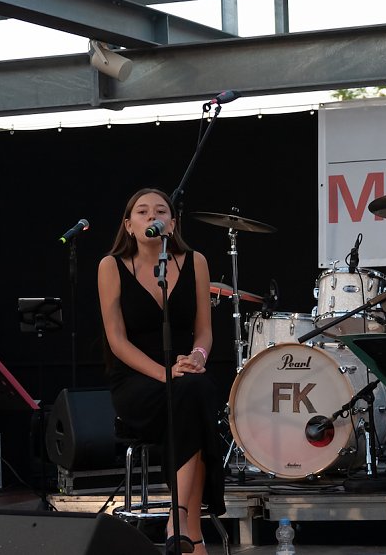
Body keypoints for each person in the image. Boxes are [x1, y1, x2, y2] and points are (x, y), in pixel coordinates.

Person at [98, 188, 224, 555]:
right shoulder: (111, 266)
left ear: (173, 223)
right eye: (141, 211)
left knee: (194, 390)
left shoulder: (195, 261)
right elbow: (117, 341)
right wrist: (164, 373)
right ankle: (189, 526)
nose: (151, 216)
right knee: (190, 395)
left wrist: (198, 357)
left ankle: (182, 523)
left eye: (160, 211)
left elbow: (204, 331)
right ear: (129, 225)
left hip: (186, 371)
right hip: (137, 378)